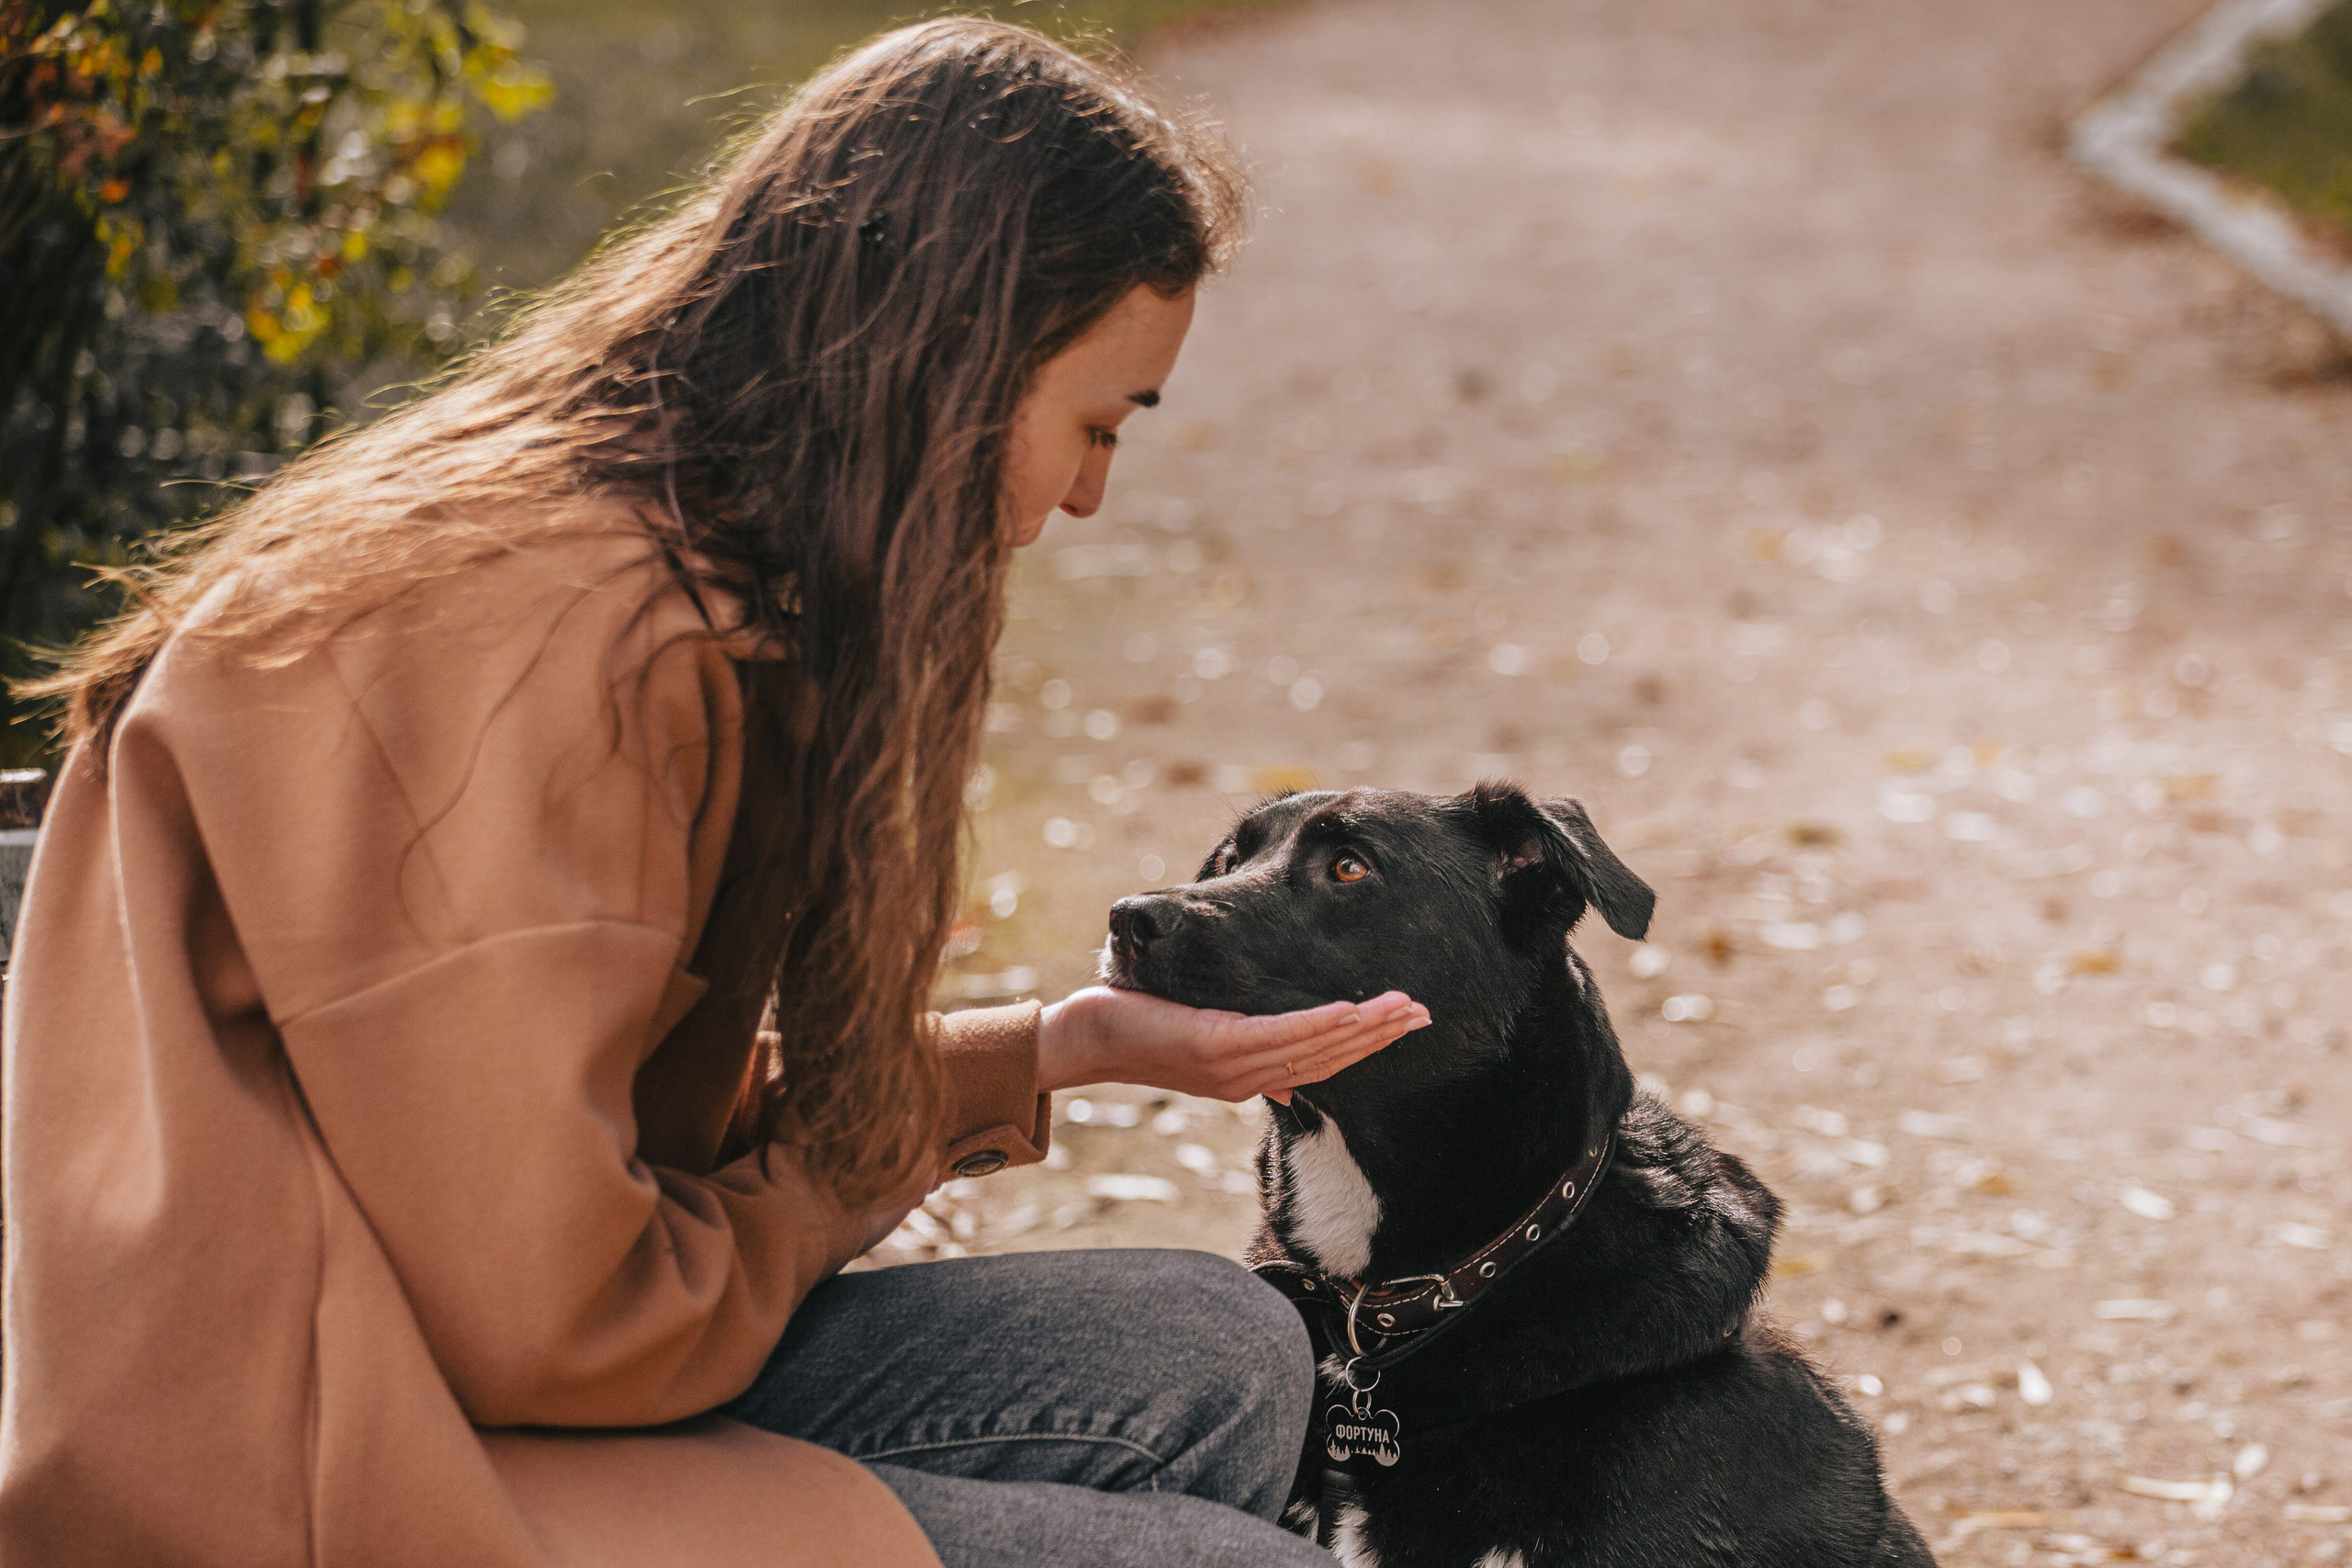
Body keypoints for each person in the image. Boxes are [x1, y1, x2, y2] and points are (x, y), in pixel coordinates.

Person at [0, 18, 1430, 1568]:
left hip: (433, 1360)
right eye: (1092, 427)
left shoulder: (673, 565)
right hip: (296, 1467)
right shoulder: (546, 640)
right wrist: (833, 1177)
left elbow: (552, 1125)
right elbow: (554, 1318)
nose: (1087, 495)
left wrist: (1060, 1049)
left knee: (1213, 1344)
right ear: (945, 365)